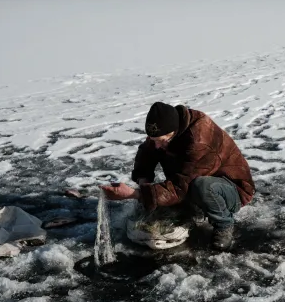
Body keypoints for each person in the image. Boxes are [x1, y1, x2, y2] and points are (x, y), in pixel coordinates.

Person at [100, 101, 255, 251]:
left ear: (173, 132)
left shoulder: (199, 140)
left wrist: (135, 194)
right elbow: (147, 151)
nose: (157, 145)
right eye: (154, 140)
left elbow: (181, 187)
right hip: (190, 179)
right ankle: (191, 206)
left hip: (232, 190)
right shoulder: (166, 127)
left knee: (201, 186)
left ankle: (224, 225)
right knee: (162, 157)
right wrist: (143, 179)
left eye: (161, 140)